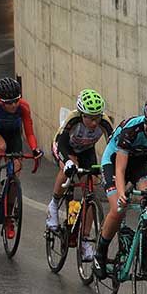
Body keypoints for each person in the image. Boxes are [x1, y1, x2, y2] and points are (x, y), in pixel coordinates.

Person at [95, 96, 147, 278]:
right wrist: (121, 193)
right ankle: (100, 254)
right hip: (114, 160)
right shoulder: (132, 130)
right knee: (117, 209)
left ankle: (146, 247)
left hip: (140, 161)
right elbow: (120, 168)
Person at [46, 89, 114, 263]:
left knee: (91, 188)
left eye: (97, 117)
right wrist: (67, 161)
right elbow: (60, 143)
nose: (94, 122)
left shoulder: (104, 122)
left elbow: (113, 146)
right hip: (65, 149)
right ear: (82, 114)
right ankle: (53, 206)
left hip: (86, 151)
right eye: (90, 118)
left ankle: (84, 240)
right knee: (68, 168)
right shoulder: (73, 119)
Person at [0, 77, 41, 212]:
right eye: (9, 102)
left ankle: (9, 213)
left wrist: (35, 149)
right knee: (1, 148)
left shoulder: (23, 107)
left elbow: (29, 133)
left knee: (16, 170)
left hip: (13, 134)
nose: (13, 105)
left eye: (16, 100)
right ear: (1, 102)